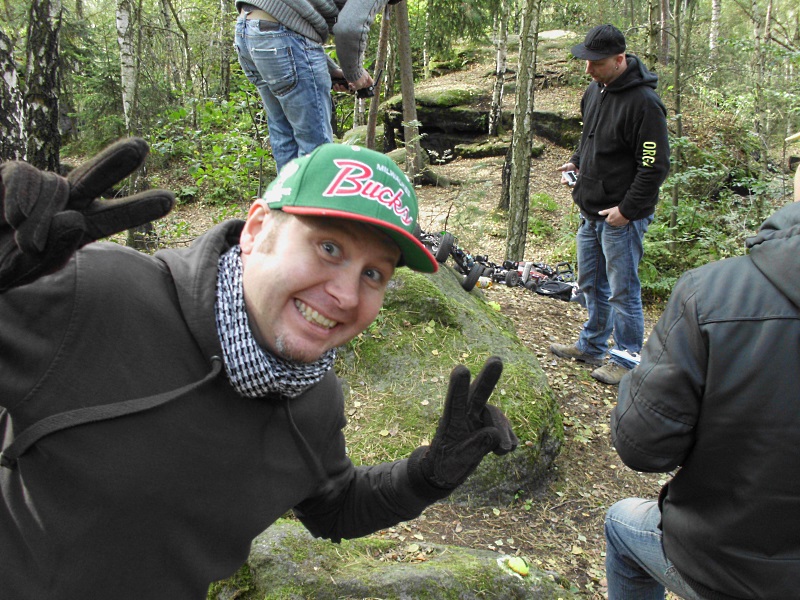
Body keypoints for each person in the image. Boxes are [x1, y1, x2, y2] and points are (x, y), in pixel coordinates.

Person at [0, 138, 518, 599]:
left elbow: (333, 506)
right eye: (328, 246)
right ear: (256, 229)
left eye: (374, 273)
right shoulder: (94, 295)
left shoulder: (313, 396)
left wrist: (425, 476)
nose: (345, 293)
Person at [604, 161, 800, 599]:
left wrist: (637, 383)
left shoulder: (711, 294)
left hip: (727, 564)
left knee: (619, 524)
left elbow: (642, 446)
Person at [550, 23, 670, 385]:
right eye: (586, 61)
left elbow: (655, 166)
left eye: (596, 63)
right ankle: (591, 345)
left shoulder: (645, 104)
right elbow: (591, 137)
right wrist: (576, 160)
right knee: (590, 282)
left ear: (619, 60)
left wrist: (628, 210)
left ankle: (626, 356)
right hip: (591, 210)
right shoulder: (596, 89)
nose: (588, 69)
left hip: (622, 217)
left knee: (623, 289)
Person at [234, 0, 391, 171]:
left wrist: (332, 70)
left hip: (248, 30)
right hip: (282, 35)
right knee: (317, 151)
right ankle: (316, 198)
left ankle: (289, 197)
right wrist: (354, 73)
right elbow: (349, 28)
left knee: (285, 138)